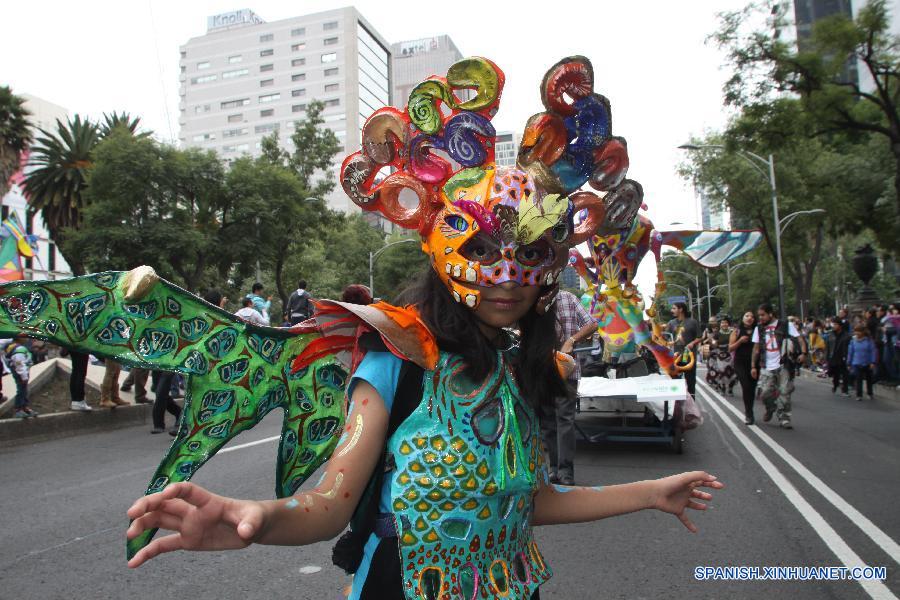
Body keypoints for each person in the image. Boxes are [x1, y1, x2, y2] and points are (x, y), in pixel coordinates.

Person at [119, 56, 724, 598]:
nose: (507, 274)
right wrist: (254, 518)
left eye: (530, 251)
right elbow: (330, 507)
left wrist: (651, 492)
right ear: (438, 246)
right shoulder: (396, 360)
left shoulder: (517, 366)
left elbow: (527, 502)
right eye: (482, 247)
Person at [541, 289, 597, 486]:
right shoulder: (533, 298)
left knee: (565, 420)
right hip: (543, 370)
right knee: (547, 421)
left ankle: (566, 471)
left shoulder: (569, 298)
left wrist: (571, 340)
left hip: (567, 369)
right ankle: (553, 468)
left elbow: (592, 324)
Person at [751, 303, 807, 429]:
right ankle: (771, 408)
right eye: (759, 315)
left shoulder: (786, 325)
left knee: (785, 392)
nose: (760, 318)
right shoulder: (758, 328)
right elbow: (755, 349)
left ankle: (784, 418)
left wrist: (804, 353)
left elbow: (800, 339)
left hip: (783, 364)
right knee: (764, 393)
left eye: (763, 315)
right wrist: (753, 366)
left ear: (770, 313)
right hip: (766, 365)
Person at [667, 302, 701, 397]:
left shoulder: (692, 322)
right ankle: (676, 406)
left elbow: (699, 337)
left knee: (690, 381)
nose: (671, 311)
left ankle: (691, 407)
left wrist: (692, 343)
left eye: (674, 308)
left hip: (688, 355)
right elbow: (665, 337)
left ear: (681, 309)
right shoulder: (671, 323)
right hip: (676, 356)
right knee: (675, 382)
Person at [729, 311, 757, 424]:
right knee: (745, 386)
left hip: (754, 363)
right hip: (739, 362)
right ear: (742, 318)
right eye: (747, 316)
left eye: (752, 316)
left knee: (752, 388)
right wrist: (740, 341)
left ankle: (750, 410)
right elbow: (730, 348)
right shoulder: (737, 331)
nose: (749, 318)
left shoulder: (758, 331)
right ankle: (749, 413)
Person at [6, 336, 38, 418]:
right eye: (25, 337)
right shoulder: (19, 349)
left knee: (24, 390)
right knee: (21, 390)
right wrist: (24, 376)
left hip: (23, 372)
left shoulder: (20, 348)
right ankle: (18, 409)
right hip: (21, 373)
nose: (27, 338)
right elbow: (19, 364)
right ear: (19, 338)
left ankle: (25, 407)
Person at [707, 316, 736, 396]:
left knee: (733, 374)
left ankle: (730, 388)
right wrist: (711, 341)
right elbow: (714, 345)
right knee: (722, 372)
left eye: (726, 323)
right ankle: (722, 388)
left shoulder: (732, 332)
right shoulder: (717, 334)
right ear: (720, 324)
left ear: (728, 324)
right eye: (723, 323)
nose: (724, 324)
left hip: (731, 355)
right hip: (721, 355)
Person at [848, 324, 877, 401]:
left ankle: (870, 393)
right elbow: (850, 352)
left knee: (869, 379)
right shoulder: (853, 341)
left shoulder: (869, 341)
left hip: (867, 362)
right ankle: (859, 395)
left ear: (863, 332)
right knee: (858, 379)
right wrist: (849, 363)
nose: (857, 333)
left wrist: (872, 362)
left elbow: (873, 351)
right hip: (856, 363)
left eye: (858, 331)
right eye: (856, 331)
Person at [826, 318, 851, 397]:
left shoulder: (846, 335)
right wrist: (826, 357)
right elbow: (828, 347)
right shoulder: (830, 335)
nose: (834, 326)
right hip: (833, 357)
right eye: (833, 324)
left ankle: (845, 390)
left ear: (840, 326)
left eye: (836, 324)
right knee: (835, 373)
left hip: (842, 356)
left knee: (845, 374)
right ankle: (835, 384)